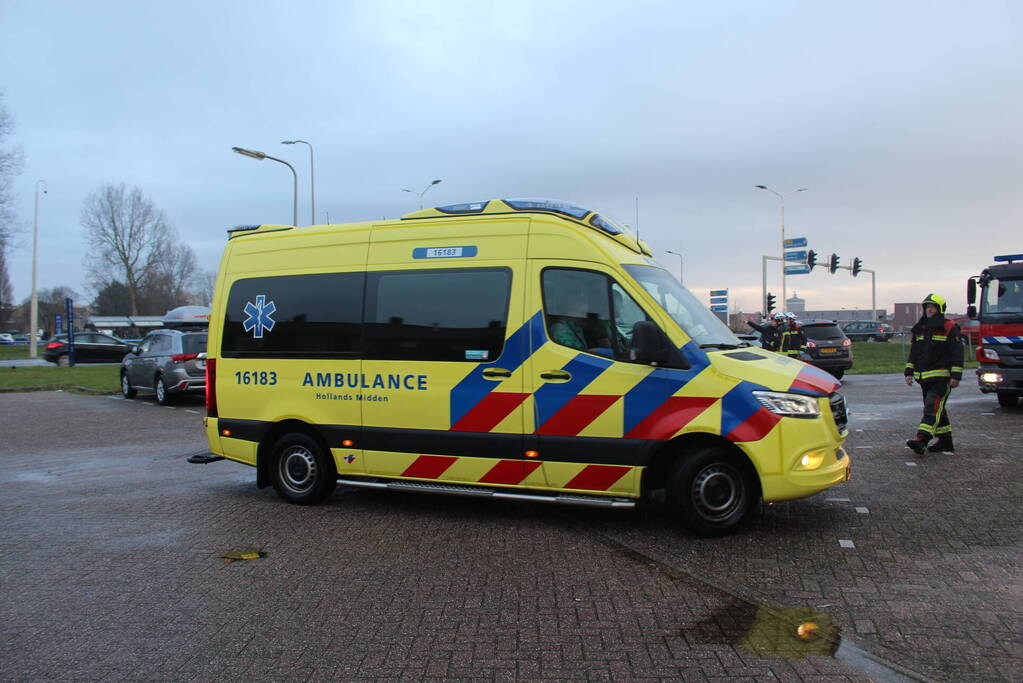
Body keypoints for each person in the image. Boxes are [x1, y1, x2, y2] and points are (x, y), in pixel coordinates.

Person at [904, 293, 964, 454]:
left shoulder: (950, 327)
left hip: (942, 378)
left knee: (931, 407)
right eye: (927, 307)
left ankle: (921, 440)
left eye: (933, 307)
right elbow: (914, 352)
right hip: (924, 378)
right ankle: (945, 441)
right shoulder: (920, 328)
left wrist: (956, 375)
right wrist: (909, 372)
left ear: (940, 309)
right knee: (937, 408)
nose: (929, 309)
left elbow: (957, 352)